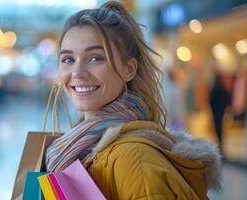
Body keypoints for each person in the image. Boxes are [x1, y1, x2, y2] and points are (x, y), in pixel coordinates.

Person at [44, 1, 221, 199]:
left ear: (129, 69)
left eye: (95, 58)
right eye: (68, 59)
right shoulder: (83, 146)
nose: (77, 72)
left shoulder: (135, 158)